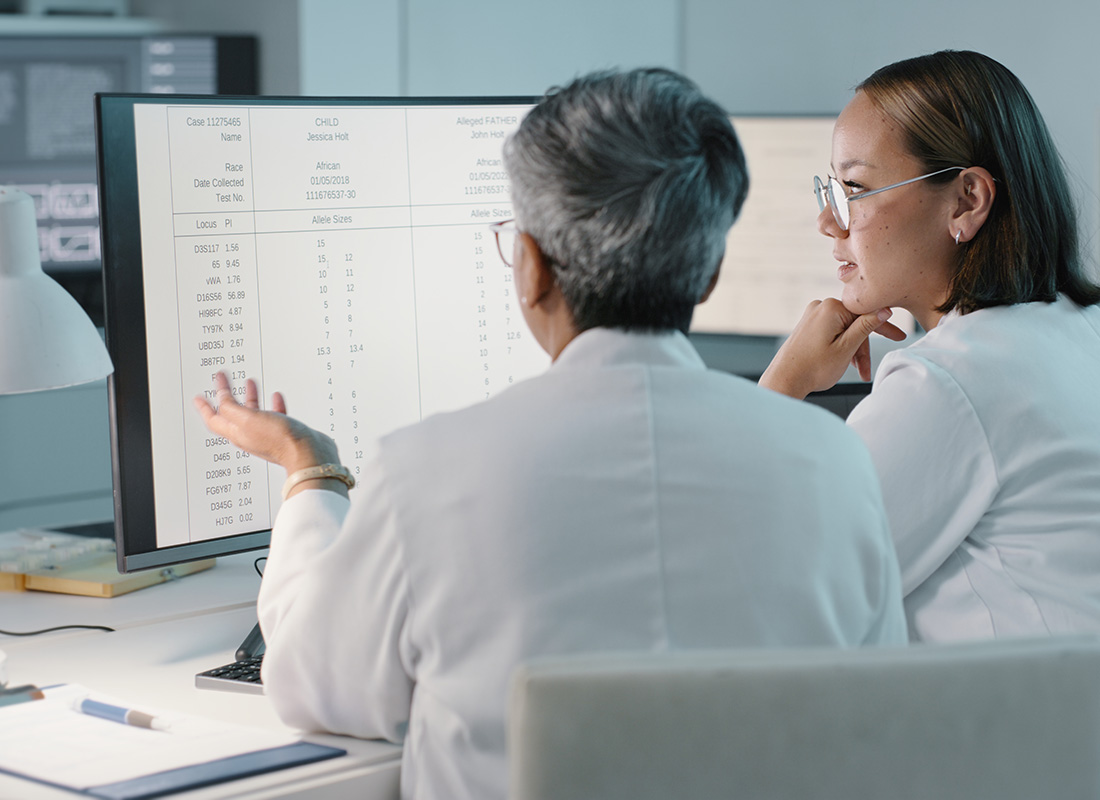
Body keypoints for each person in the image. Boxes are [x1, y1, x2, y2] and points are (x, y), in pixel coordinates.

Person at [196, 68, 906, 800]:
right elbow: (875, 707)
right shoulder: (834, 462)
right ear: (710, 273)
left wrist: (310, 474)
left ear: (530, 268)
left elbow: (316, 686)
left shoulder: (428, 472)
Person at [759, 50, 1100, 643]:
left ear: (967, 201)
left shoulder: (949, 385)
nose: (828, 223)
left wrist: (782, 387)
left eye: (855, 189)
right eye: (831, 189)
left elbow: (770, 593)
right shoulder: (1078, 324)